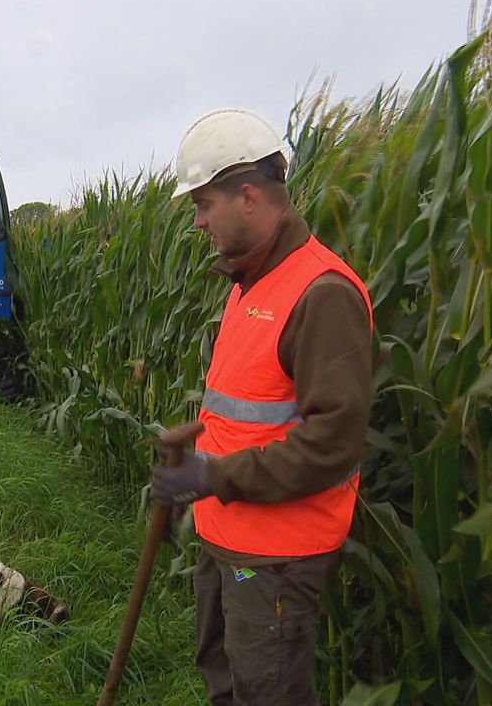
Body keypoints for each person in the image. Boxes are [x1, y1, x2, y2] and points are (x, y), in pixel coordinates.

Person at [149, 107, 374, 705]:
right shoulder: (250, 285)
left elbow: (332, 443)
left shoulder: (320, 294)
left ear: (247, 195)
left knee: (266, 694)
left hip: (272, 560)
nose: (197, 222)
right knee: (224, 679)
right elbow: (245, 412)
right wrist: (192, 476)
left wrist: (212, 475)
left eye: (203, 205)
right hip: (229, 539)